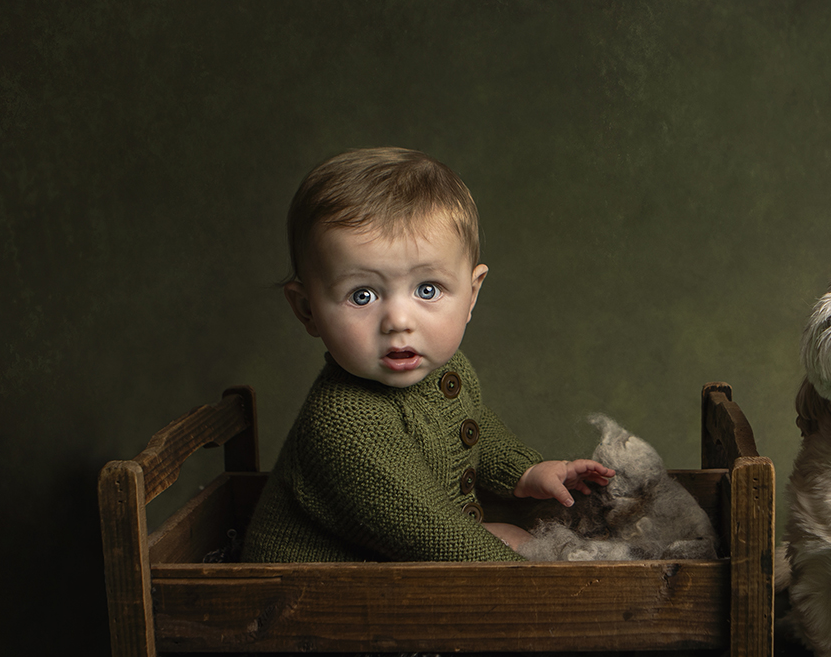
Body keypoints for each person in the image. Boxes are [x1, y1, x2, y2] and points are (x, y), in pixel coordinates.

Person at [241, 147, 613, 563]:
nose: (398, 321)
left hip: (397, 544)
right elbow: (435, 533)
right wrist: (531, 583)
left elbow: (471, 427)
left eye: (427, 290)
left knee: (512, 533)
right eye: (362, 295)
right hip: (313, 588)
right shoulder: (345, 427)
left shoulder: (444, 370)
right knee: (510, 550)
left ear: (472, 295)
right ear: (307, 309)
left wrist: (524, 472)